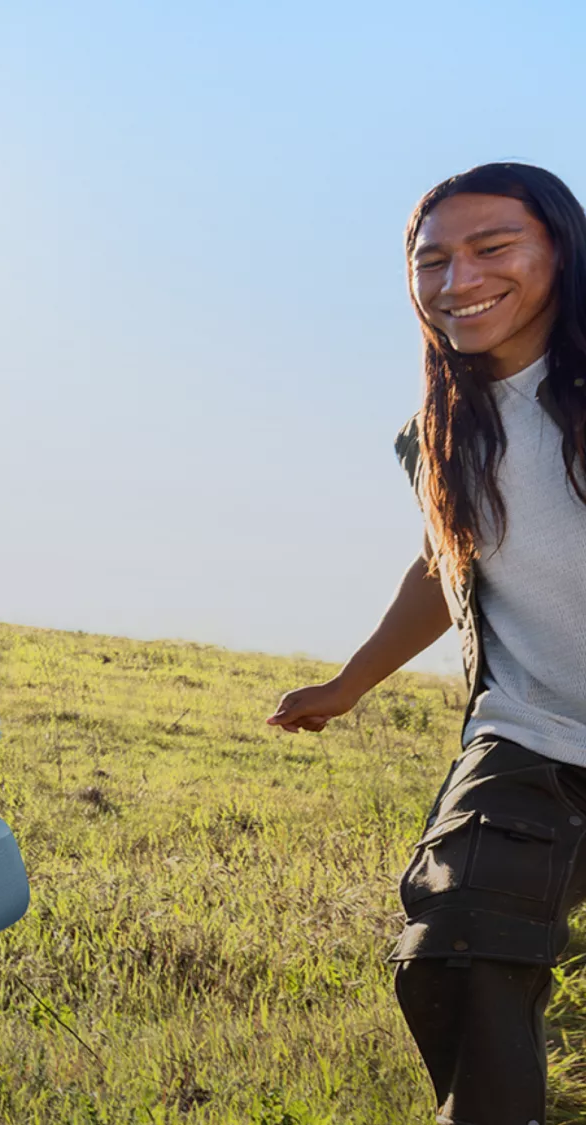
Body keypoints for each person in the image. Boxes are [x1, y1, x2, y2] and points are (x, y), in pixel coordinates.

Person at [269, 162, 586, 1125]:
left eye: (493, 249)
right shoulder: (437, 433)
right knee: (456, 939)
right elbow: (443, 567)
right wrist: (348, 683)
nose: (459, 279)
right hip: (529, 735)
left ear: (559, 252)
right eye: (432, 260)